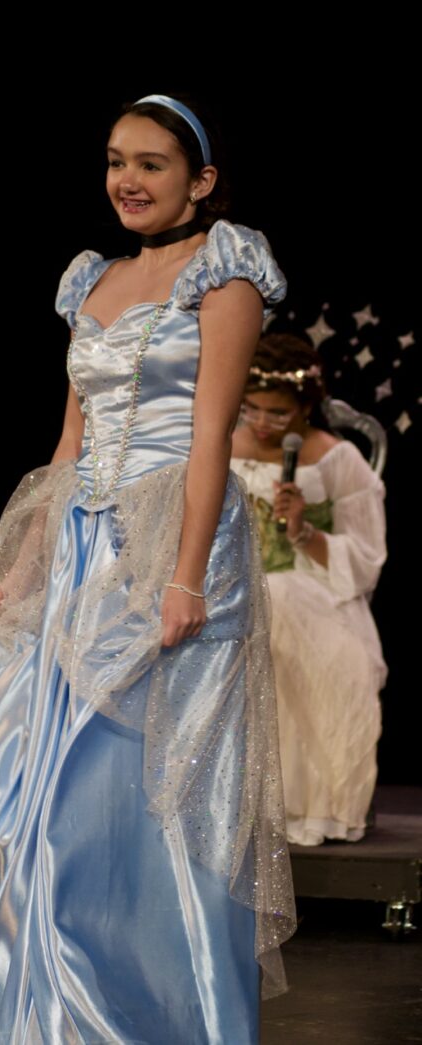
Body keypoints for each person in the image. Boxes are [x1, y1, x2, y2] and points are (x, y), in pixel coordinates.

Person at [0, 95, 295, 1043]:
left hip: (172, 539)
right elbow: (70, 435)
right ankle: (47, 1004)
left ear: (200, 180)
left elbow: (210, 436)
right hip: (84, 538)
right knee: (23, 780)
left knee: (140, 786)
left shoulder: (227, 271)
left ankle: (167, 1013)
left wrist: (183, 574)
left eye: (153, 164)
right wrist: (35, 555)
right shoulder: (93, 278)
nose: (128, 179)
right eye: (117, 161)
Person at [231, 333, 387, 846]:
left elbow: (365, 560)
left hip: (309, 585)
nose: (260, 422)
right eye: (251, 408)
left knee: (335, 661)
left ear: (304, 408)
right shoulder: (217, 443)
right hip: (229, 580)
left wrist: (303, 529)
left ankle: (309, 809)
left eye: (276, 413)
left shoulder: (338, 459)